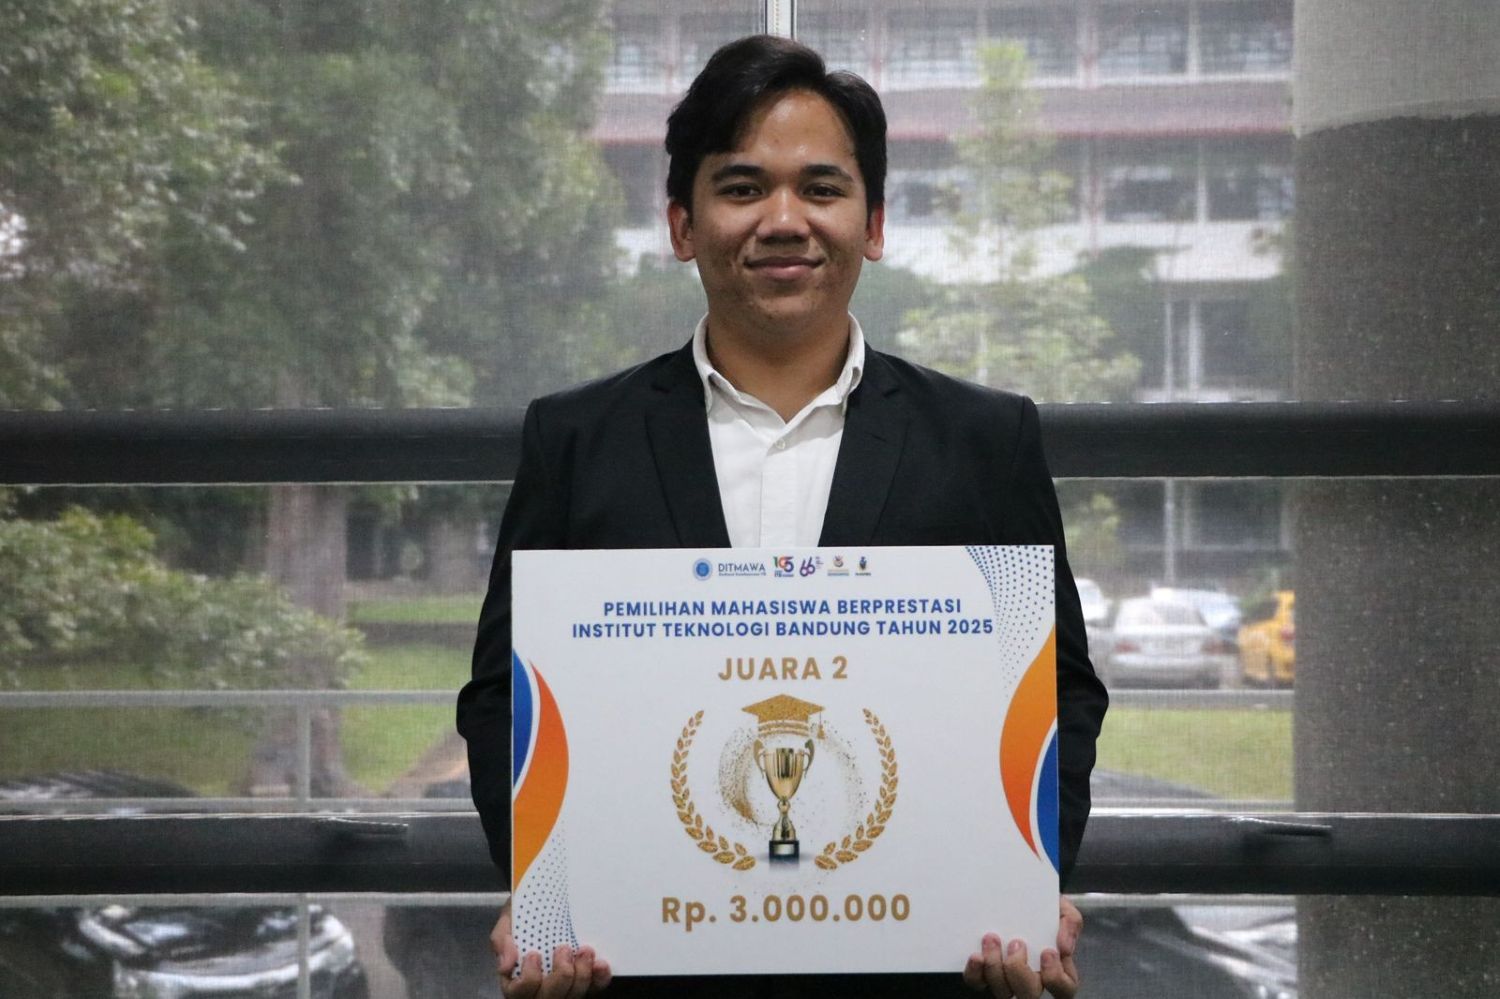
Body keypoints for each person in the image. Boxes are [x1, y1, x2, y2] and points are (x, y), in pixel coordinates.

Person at [457, 34, 1108, 999]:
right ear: (683, 225)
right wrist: (548, 896)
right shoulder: (577, 439)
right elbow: (501, 699)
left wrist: (1024, 882)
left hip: (918, 974)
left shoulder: (985, 440)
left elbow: (1059, 691)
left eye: (821, 188)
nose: (784, 220)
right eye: (742, 187)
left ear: (873, 224)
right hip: (641, 975)